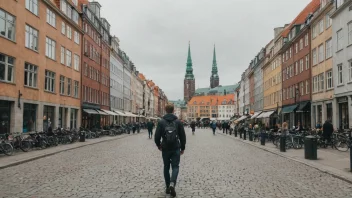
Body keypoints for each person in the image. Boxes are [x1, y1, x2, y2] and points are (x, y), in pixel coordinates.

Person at [155, 103, 186, 197]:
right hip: (175, 147)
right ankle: (173, 183)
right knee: (175, 166)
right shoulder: (178, 122)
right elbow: (182, 136)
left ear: (165, 110)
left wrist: (158, 145)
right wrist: (183, 147)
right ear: (173, 110)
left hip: (165, 147)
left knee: (166, 167)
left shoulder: (161, 122)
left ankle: (168, 186)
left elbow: (157, 136)